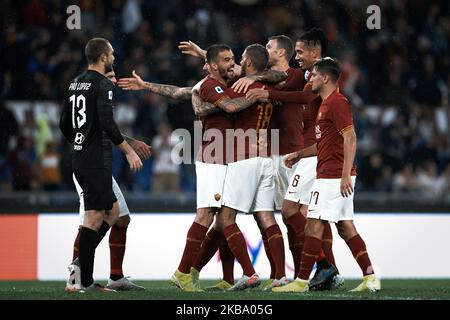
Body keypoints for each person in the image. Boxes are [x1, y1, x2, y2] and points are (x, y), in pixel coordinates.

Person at [118, 44, 286, 291]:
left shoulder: (231, 81)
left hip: (228, 156)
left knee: (220, 220)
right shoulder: (208, 85)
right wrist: (253, 97)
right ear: (214, 65)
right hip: (213, 156)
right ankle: (189, 272)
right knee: (209, 215)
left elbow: (277, 74)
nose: (233, 64)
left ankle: (204, 274)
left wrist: (150, 85)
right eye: (228, 60)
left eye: (234, 59)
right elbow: (216, 102)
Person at [246, 29, 343, 290]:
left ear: (280, 52)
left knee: (303, 213)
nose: (263, 49)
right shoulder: (270, 76)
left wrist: (269, 94)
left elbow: (302, 94)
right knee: (286, 216)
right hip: (272, 154)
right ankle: (303, 272)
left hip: (298, 151)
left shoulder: (304, 75)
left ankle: (325, 267)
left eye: (268, 45)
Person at [273, 58, 380, 293]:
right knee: (345, 227)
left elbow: (350, 138)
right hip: (332, 173)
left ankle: (301, 281)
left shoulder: (337, 103)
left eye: (314, 75)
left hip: (333, 175)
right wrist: (300, 154)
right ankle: (370, 277)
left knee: (313, 226)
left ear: (326, 78)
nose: (310, 79)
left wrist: (343, 175)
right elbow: (323, 144)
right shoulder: (325, 104)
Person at [59, 38, 143, 292]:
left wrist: (79, 141)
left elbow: (65, 123)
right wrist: (128, 151)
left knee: (115, 212)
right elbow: (107, 123)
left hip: (83, 157)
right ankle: (81, 279)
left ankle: (85, 273)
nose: (114, 58)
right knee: (94, 218)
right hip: (95, 160)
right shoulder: (103, 84)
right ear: (103, 57)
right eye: (112, 54)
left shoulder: (75, 82)